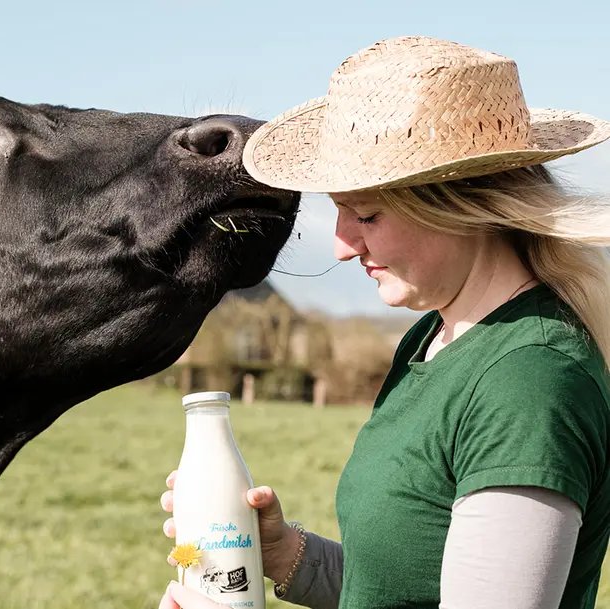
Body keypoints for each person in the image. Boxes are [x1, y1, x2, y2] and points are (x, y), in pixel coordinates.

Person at [157, 36, 610, 609]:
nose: (344, 245)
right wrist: (280, 551)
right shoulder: (435, 339)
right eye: (340, 212)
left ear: (460, 206)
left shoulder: (528, 382)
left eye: (368, 214)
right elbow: (402, 588)